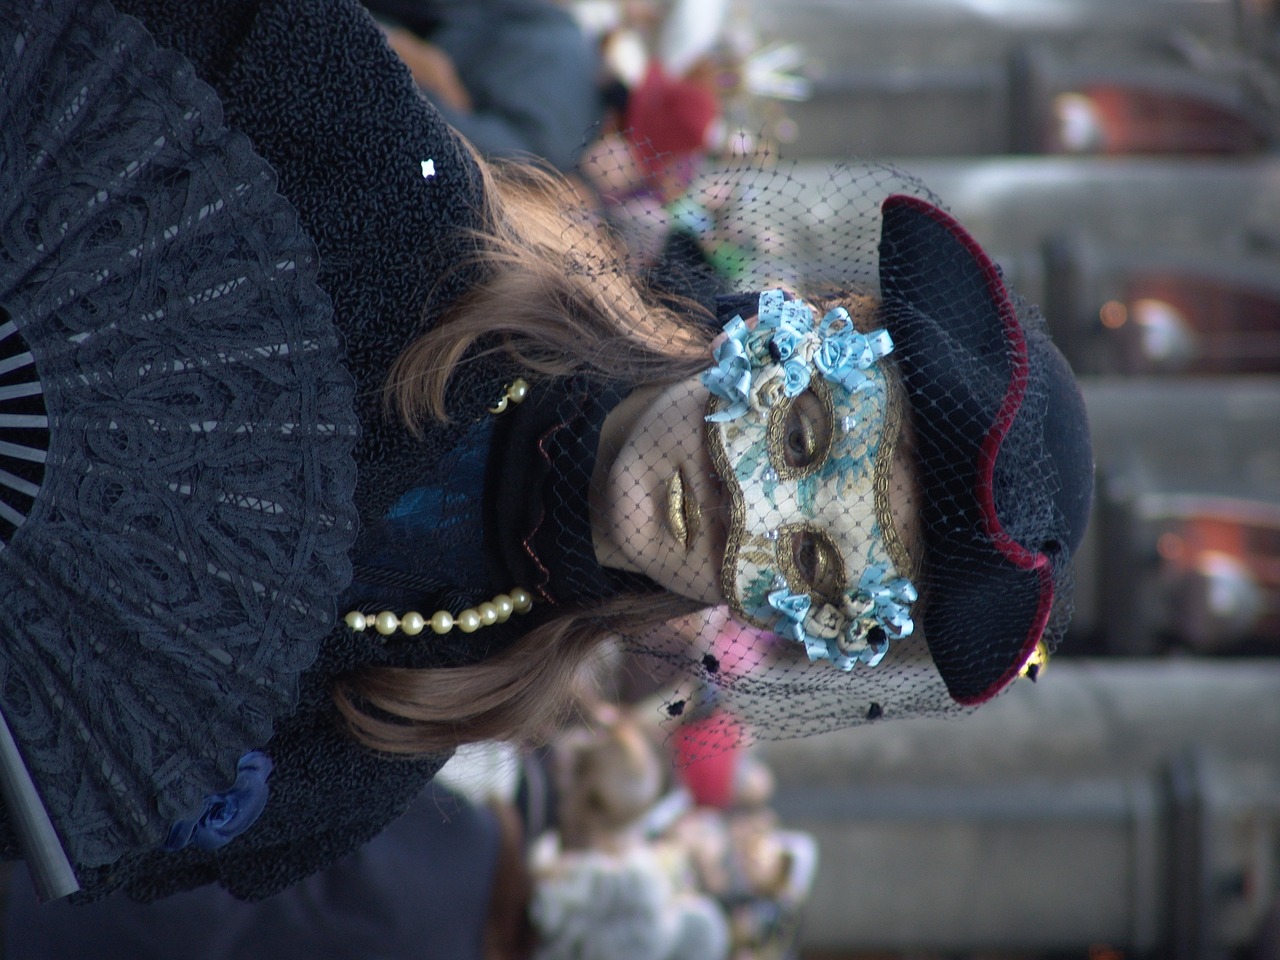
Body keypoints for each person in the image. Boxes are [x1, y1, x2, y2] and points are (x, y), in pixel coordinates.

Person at [0, 0, 1094, 906]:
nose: (751, 511)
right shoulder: (375, 186)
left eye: (811, 560)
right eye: (800, 437)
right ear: (785, 320)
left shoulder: (370, 751)